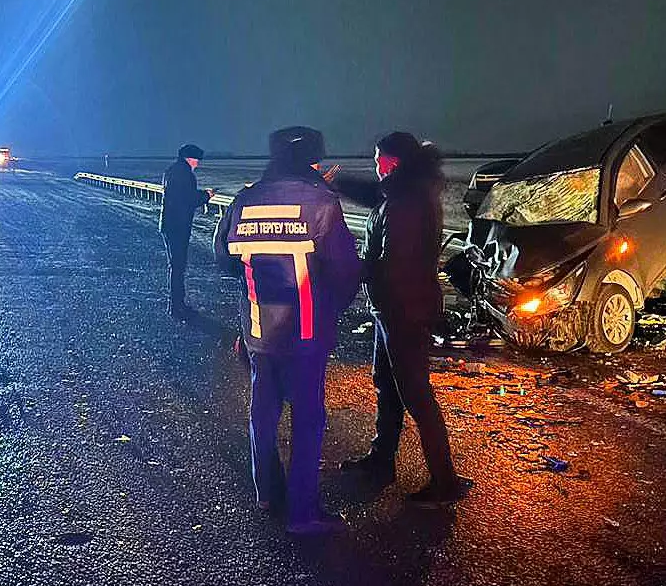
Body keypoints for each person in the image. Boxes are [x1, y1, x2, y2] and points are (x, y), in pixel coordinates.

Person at [215, 126, 361, 534]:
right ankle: (303, 512)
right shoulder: (323, 204)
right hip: (307, 332)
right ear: (313, 162)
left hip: (258, 329)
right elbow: (346, 272)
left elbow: (224, 260)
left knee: (262, 411)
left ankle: (266, 491)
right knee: (308, 418)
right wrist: (331, 310)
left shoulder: (244, 201)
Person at [340, 132, 471, 505]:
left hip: (406, 310)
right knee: (387, 385)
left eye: (379, 159)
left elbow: (393, 264)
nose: (375, 166)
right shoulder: (399, 192)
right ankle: (382, 461)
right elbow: (372, 196)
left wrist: (350, 267)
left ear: (395, 161)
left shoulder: (408, 201)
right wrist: (334, 182)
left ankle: (445, 482)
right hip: (391, 308)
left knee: (416, 394)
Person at [160, 143, 214, 318]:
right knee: (178, 266)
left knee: (176, 265)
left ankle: (177, 304)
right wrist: (206, 195)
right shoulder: (185, 174)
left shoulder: (172, 170)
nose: (197, 163)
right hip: (178, 226)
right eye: (197, 160)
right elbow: (189, 199)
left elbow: (180, 196)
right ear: (189, 158)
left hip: (170, 224)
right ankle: (176, 306)